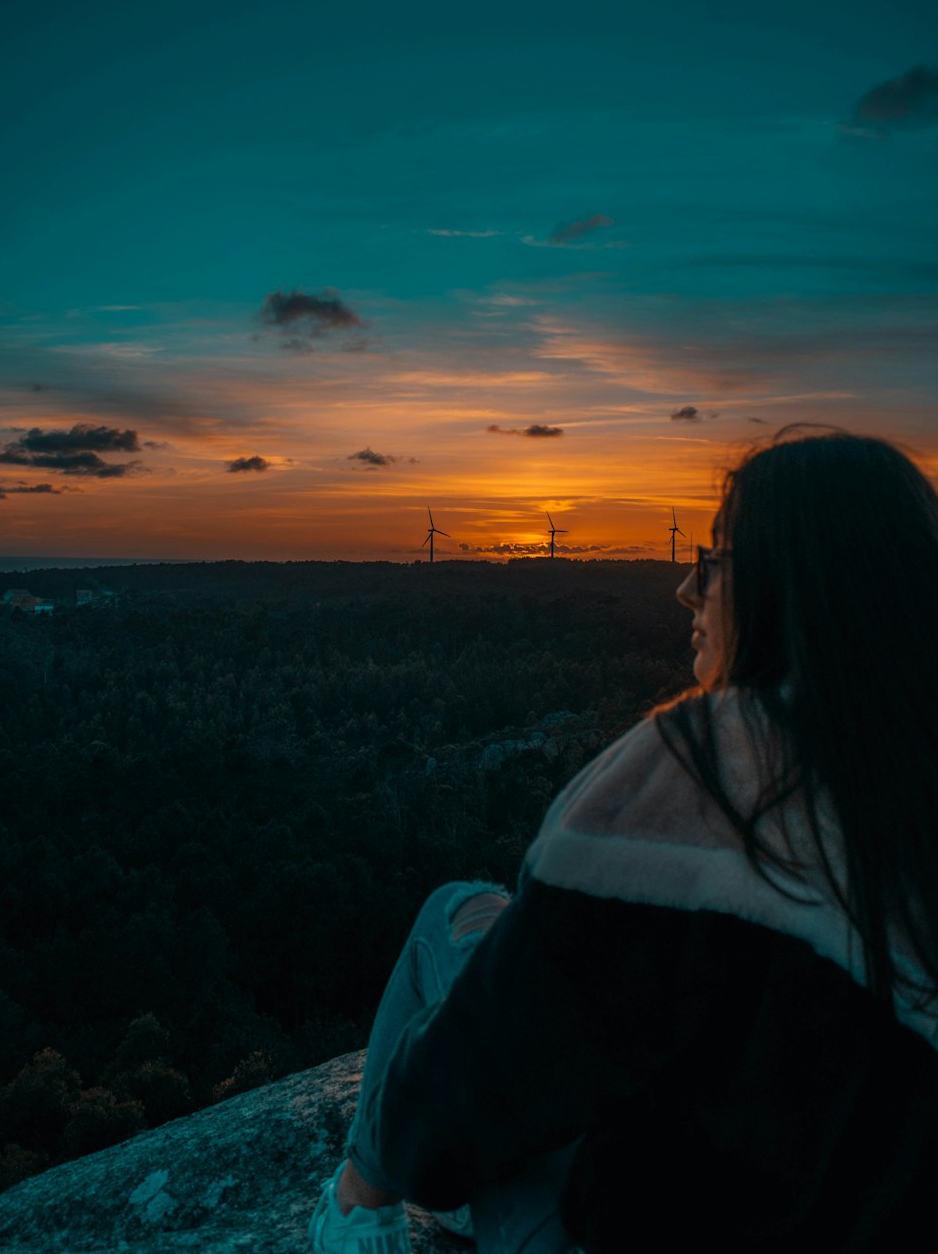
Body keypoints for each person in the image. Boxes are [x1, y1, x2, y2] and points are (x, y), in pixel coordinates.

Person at [309, 428, 938, 1254]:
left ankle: (356, 1208)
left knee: (454, 917)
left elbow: (473, 1090)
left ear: (786, 591)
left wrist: (410, 1153)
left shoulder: (704, 765)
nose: (686, 589)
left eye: (714, 563)